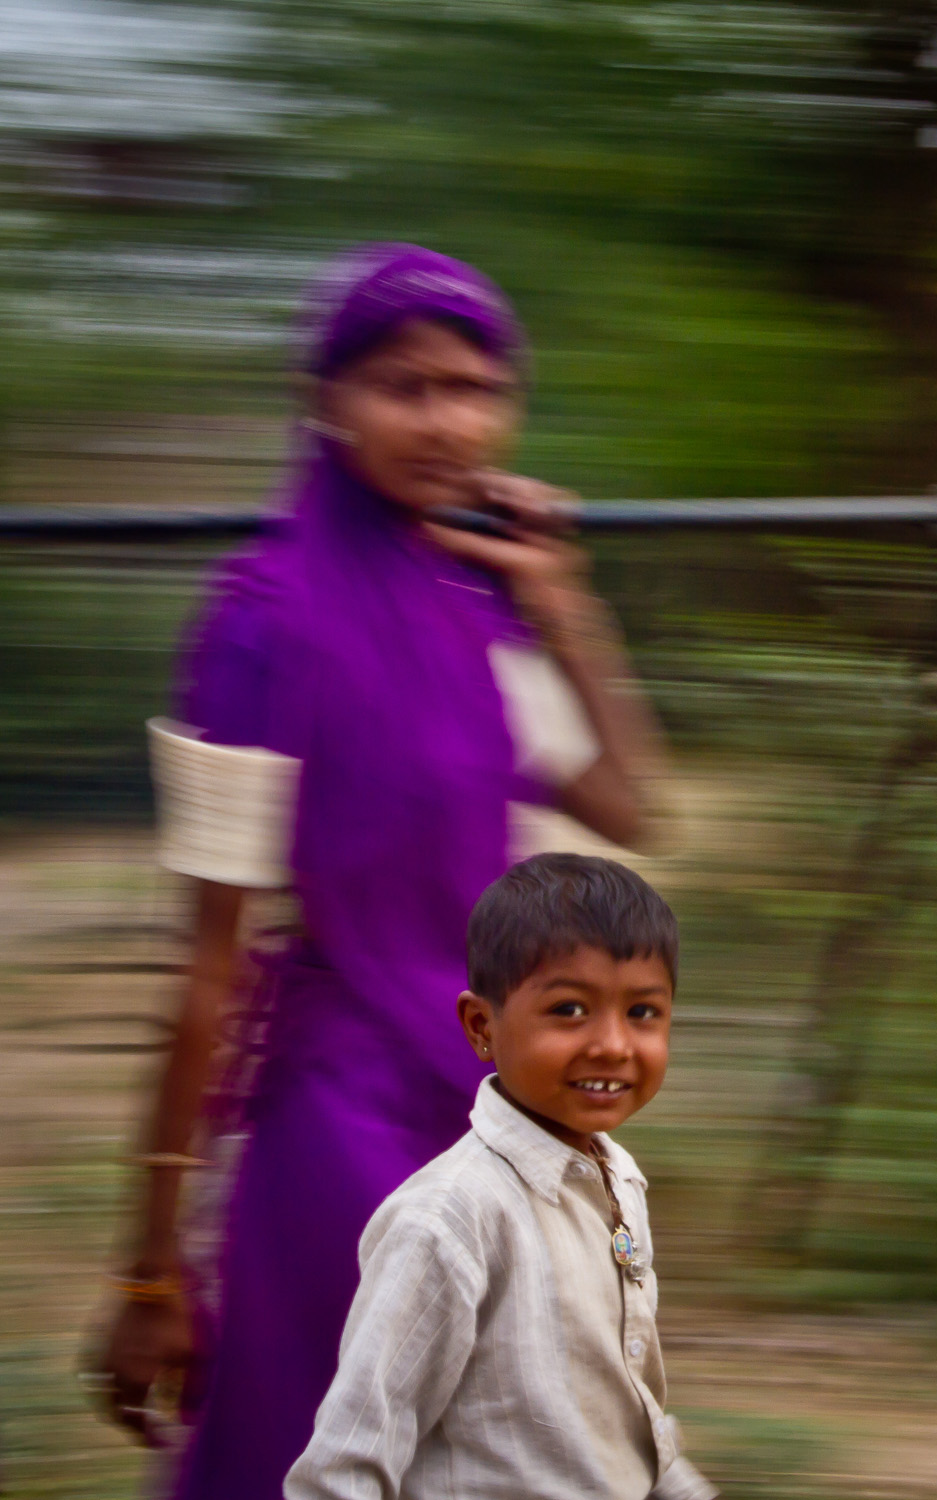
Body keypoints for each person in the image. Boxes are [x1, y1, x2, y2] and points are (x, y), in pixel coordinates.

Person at [93, 244, 665, 1499]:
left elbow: (633, 802)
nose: (445, 420)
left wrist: (566, 605)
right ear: (326, 403)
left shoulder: (484, 610)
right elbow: (204, 970)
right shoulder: (260, 624)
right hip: (339, 1136)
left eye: (472, 387)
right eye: (402, 386)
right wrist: (146, 1271)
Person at [285, 853, 714, 1500]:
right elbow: (345, 1468)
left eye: (644, 1013)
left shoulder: (619, 1180)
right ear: (481, 1027)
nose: (614, 1045)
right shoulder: (449, 1220)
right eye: (570, 1010)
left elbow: (631, 1427)